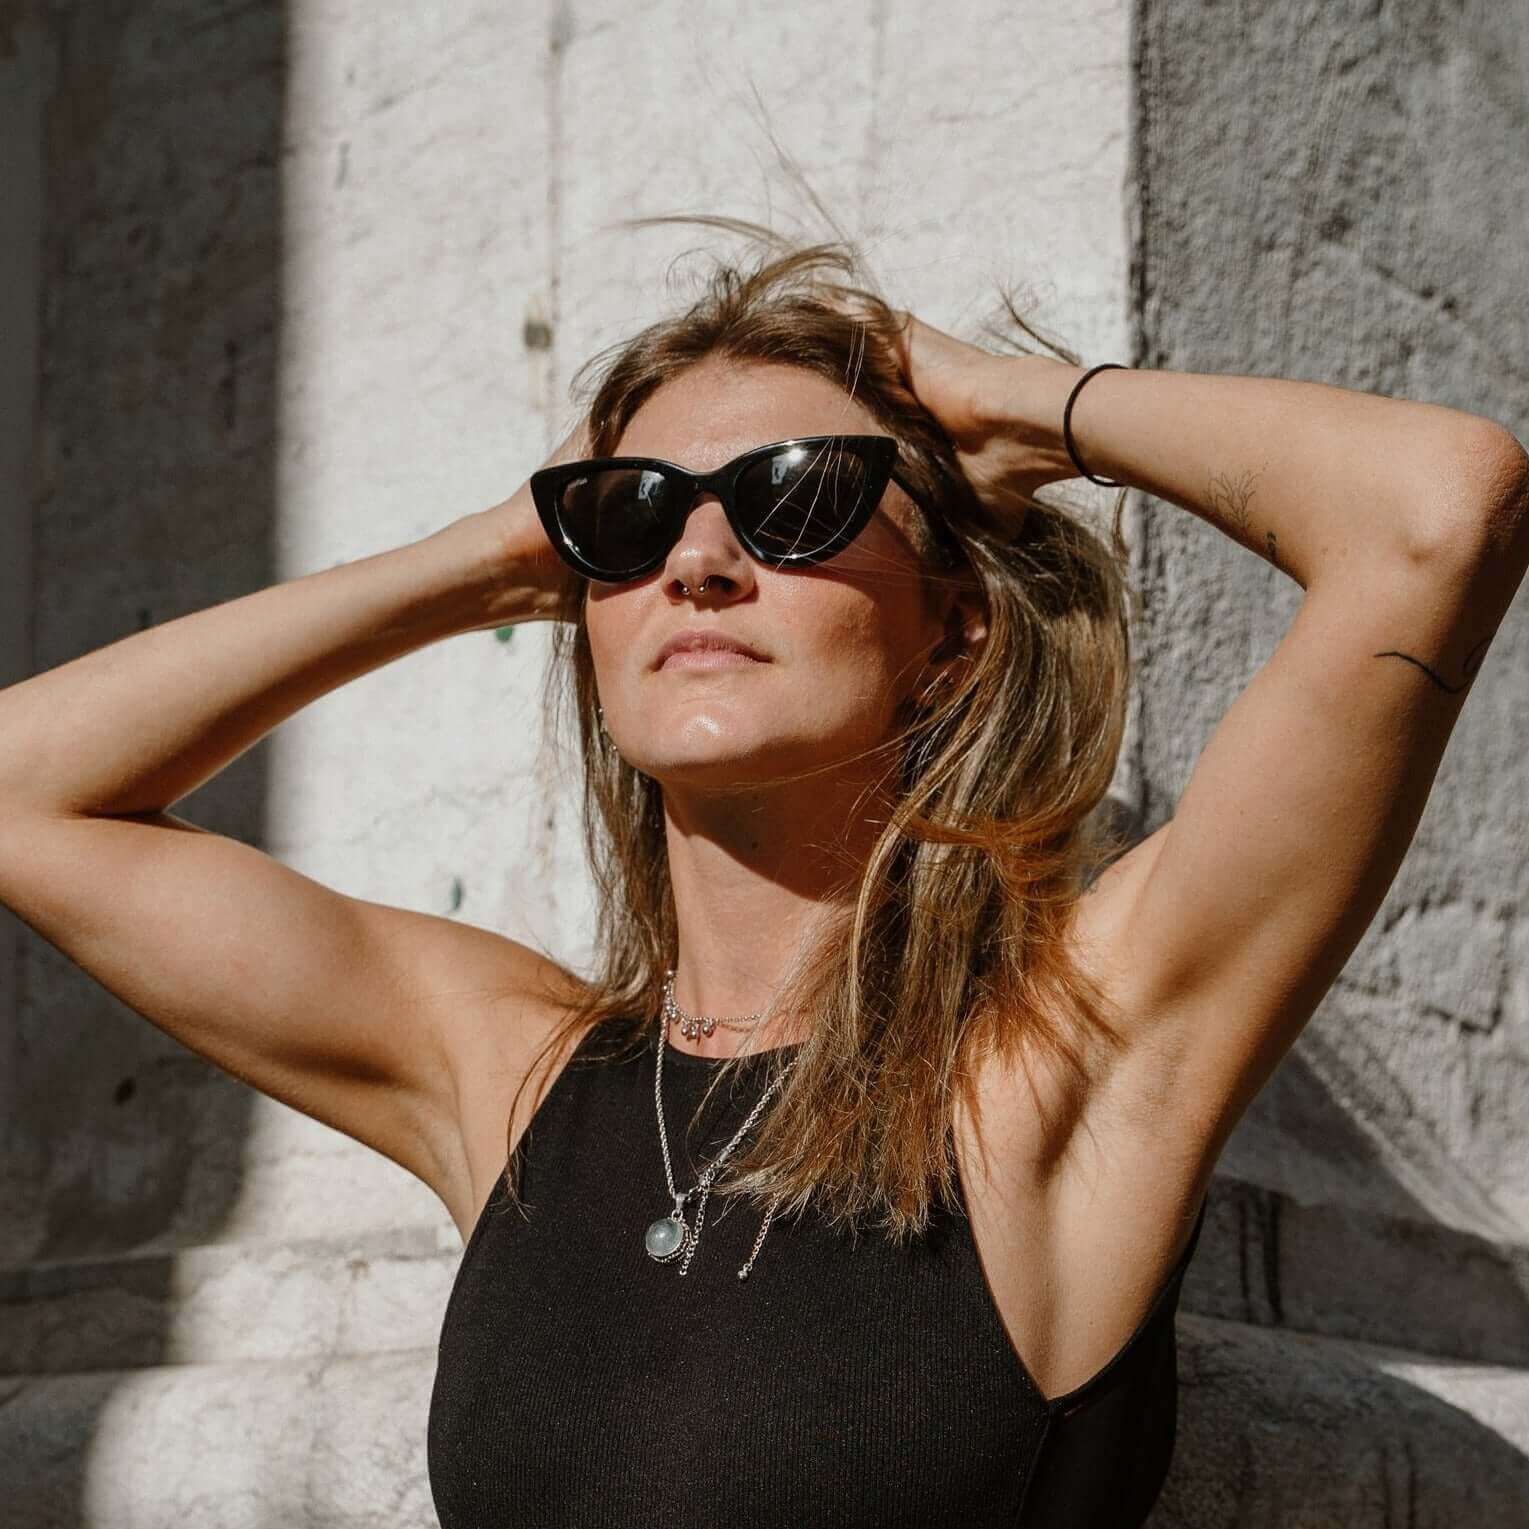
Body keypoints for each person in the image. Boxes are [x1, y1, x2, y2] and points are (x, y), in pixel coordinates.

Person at [0, 225, 1524, 1529]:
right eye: (631, 517)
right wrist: (490, 556)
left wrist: (1016, 408)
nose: (699, 559)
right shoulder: (508, 1071)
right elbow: (23, 794)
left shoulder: (1063, 1056)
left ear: (952, 633)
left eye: (801, 498)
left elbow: (1436, 509)